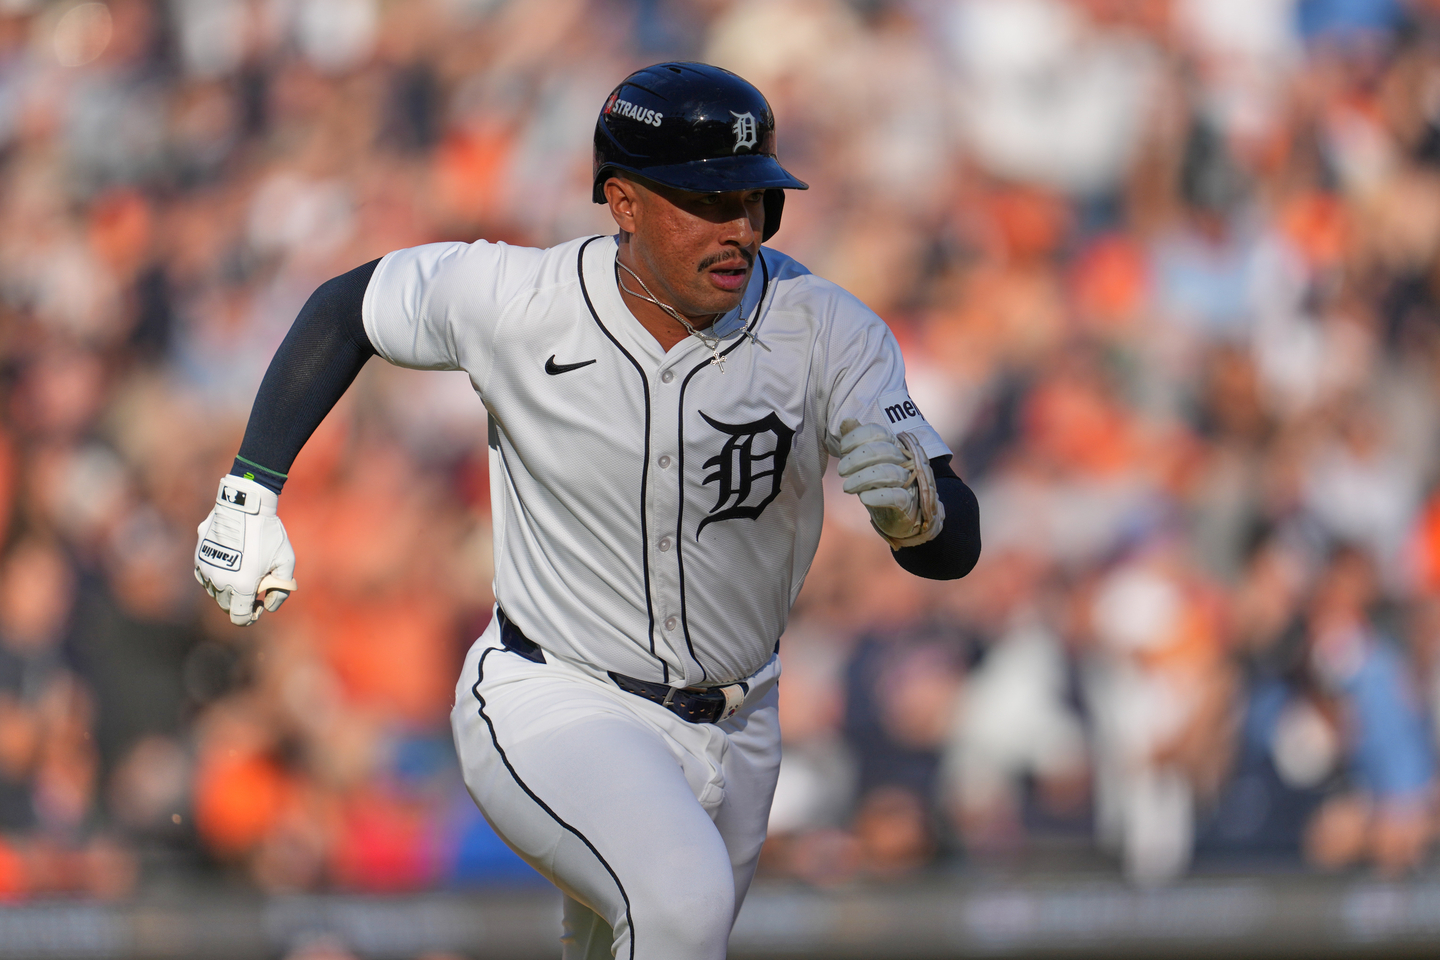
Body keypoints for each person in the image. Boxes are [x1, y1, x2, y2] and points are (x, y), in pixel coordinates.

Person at [194, 62, 981, 960]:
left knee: (634, 936)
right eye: (706, 200)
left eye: (756, 200)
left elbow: (954, 547)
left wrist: (920, 519)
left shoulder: (824, 328)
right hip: (554, 695)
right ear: (623, 200)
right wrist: (250, 488)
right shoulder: (522, 300)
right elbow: (349, 309)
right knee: (679, 908)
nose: (741, 229)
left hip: (742, 721)